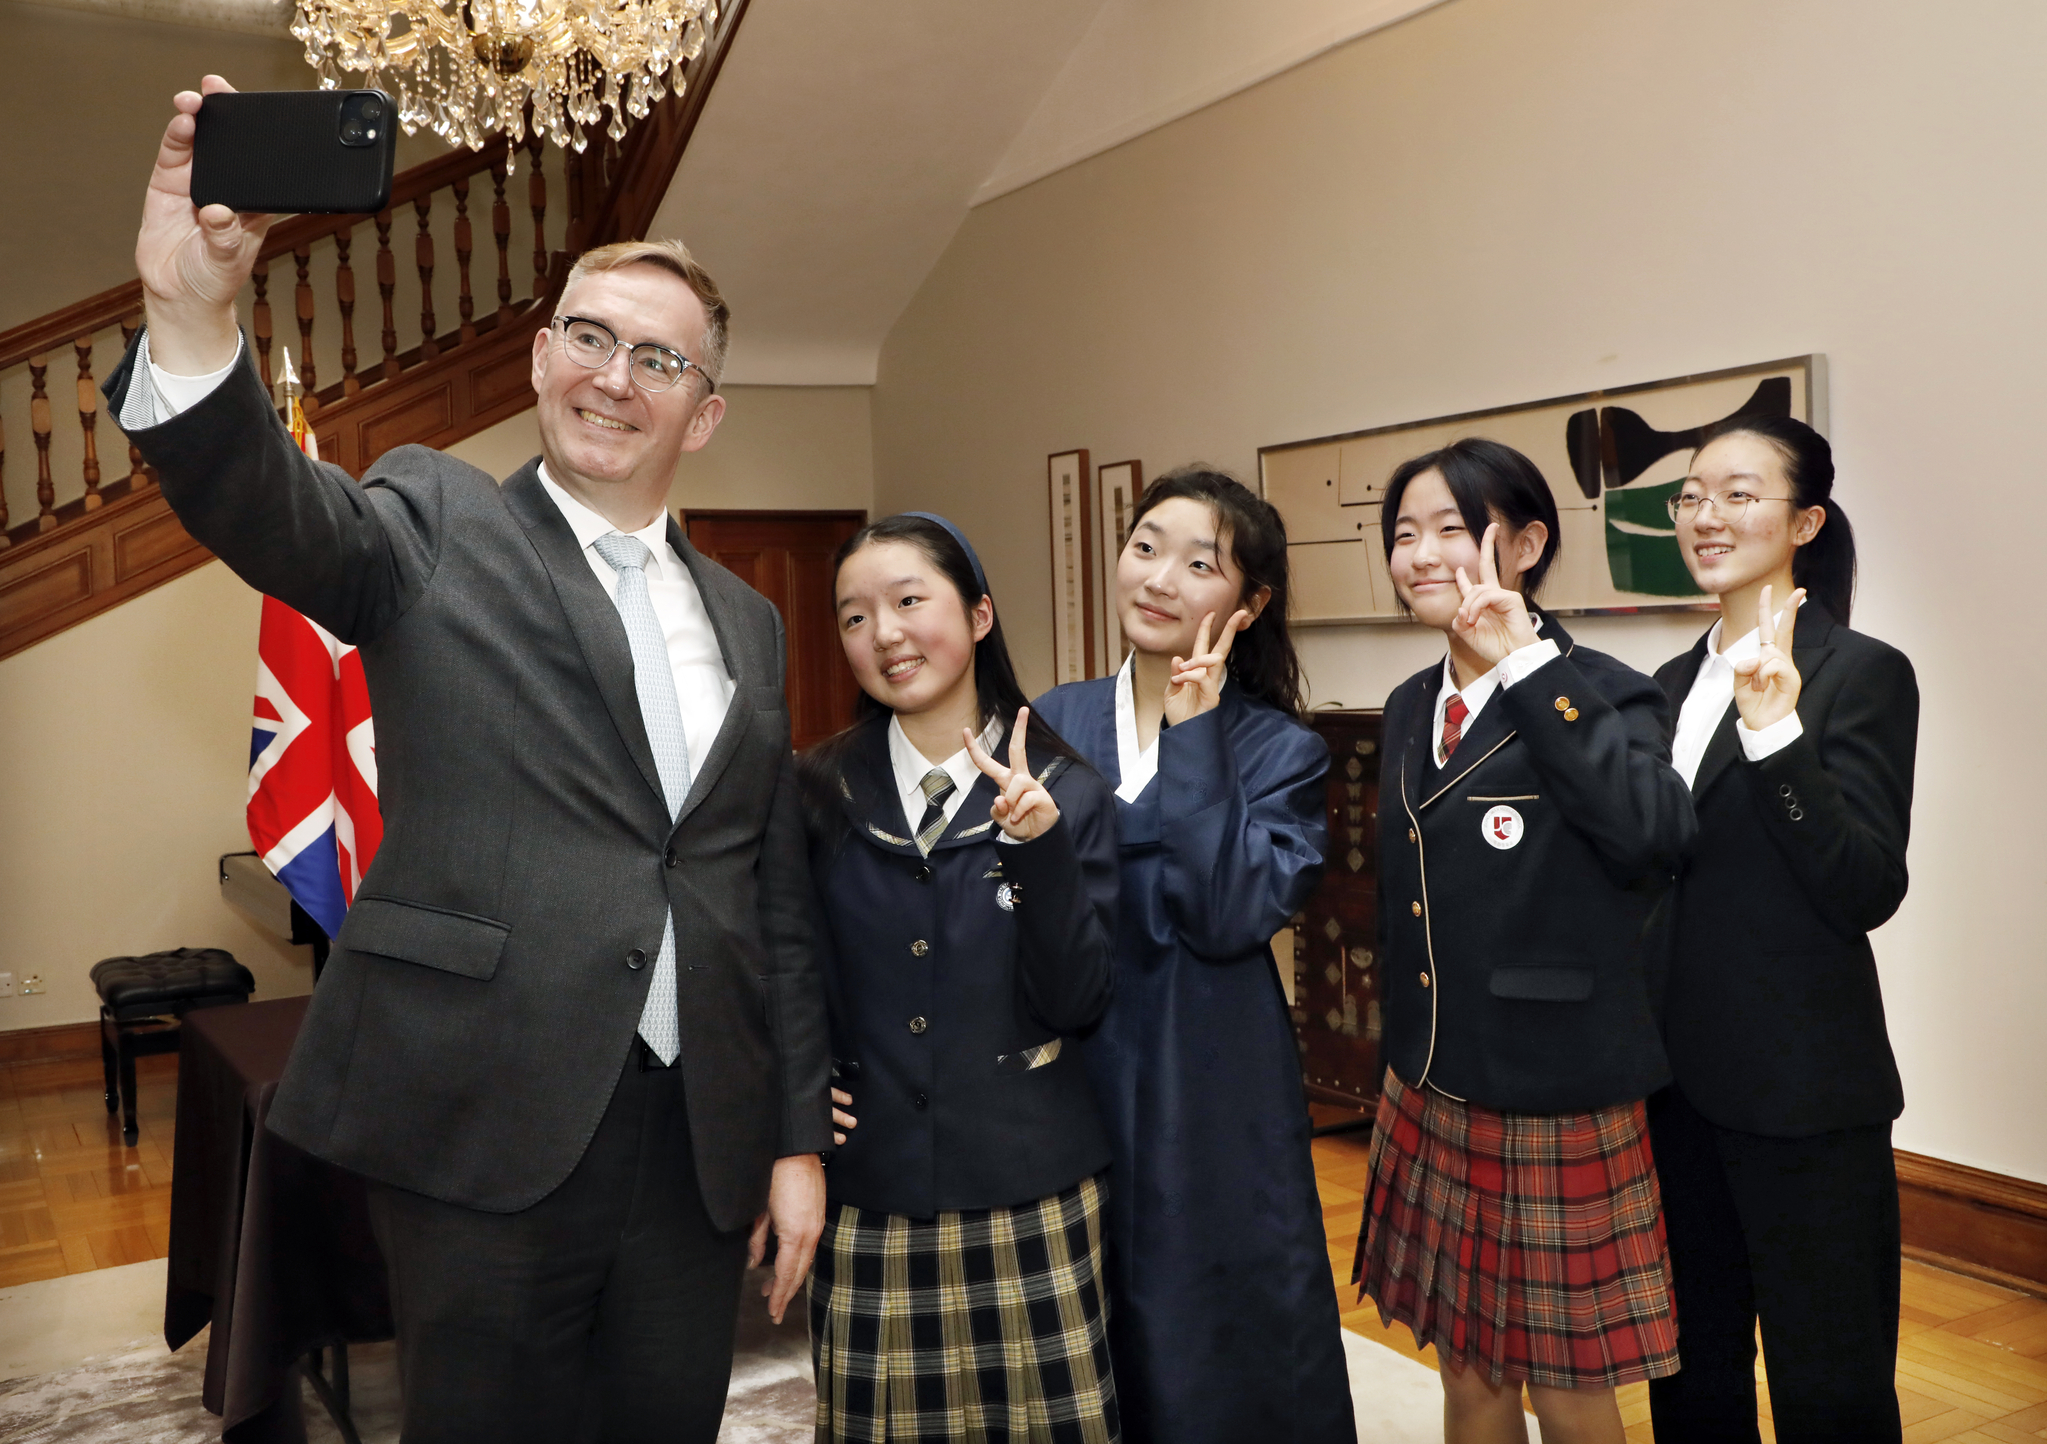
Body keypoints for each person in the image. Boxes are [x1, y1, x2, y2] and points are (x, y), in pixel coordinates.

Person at [120, 77, 831, 1443]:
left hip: (698, 1143)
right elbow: (265, 505)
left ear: (702, 413)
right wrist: (192, 314)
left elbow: (769, 904)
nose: (613, 376)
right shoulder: (434, 520)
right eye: (590, 337)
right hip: (486, 1126)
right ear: (539, 357)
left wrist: (793, 1137)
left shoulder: (749, 622)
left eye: (658, 359)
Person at [1351, 439, 1694, 1444]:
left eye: (1451, 529)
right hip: (1429, 1075)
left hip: (1552, 1089)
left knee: (1572, 1392)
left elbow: (1651, 835)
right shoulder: (1410, 703)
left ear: (1528, 543)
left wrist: (1525, 666)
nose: (1420, 554)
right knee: (1466, 1373)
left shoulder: (1604, 688)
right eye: (1403, 533)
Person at [1030, 467, 1356, 1444]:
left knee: (1214, 1312)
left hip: (1209, 1068)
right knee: (1080, 1310)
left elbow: (1224, 915)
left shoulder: (1280, 750)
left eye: (1199, 563)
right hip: (1072, 1058)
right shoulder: (1053, 719)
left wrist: (1197, 733)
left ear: (1248, 605)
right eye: (1144, 547)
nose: (1159, 577)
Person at [797, 513, 1122, 1442]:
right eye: (854, 617)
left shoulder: (1066, 788)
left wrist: (1039, 849)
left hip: (1030, 1182)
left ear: (979, 616)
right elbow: (783, 967)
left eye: (909, 601)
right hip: (871, 1186)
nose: (884, 634)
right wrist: (796, 1092)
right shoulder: (814, 790)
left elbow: (1078, 1001)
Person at [1646, 415, 1916, 1444]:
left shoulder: (1861, 671)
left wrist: (1775, 734)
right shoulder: (1662, 688)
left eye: (1738, 493)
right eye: (1690, 496)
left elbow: (1863, 886)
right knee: (1690, 1377)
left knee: (1830, 1388)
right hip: (1669, 1092)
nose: (1706, 515)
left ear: (1804, 522)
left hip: (1804, 1096)